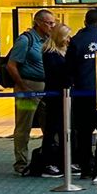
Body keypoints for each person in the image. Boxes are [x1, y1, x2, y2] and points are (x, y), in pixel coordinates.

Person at [6, 9, 55, 176]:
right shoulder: (25, 40)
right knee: (23, 125)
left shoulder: (48, 40)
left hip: (46, 88)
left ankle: (49, 160)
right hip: (27, 87)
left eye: (53, 23)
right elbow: (11, 65)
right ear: (38, 23)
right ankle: (21, 162)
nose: (52, 26)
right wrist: (22, 86)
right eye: (49, 23)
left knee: (48, 125)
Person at [67, 8, 97, 180]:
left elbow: (69, 68)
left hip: (81, 93)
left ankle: (85, 167)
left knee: (84, 132)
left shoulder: (76, 40)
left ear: (85, 22)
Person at [37, 23, 72, 178]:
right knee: (52, 129)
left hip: (62, 95)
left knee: (63, 129)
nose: (69, 40)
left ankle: (63, 160)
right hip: (55, 96)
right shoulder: (51, 54)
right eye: (66, 36)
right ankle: (48, 163)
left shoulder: (61, 52)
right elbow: (59, 74)